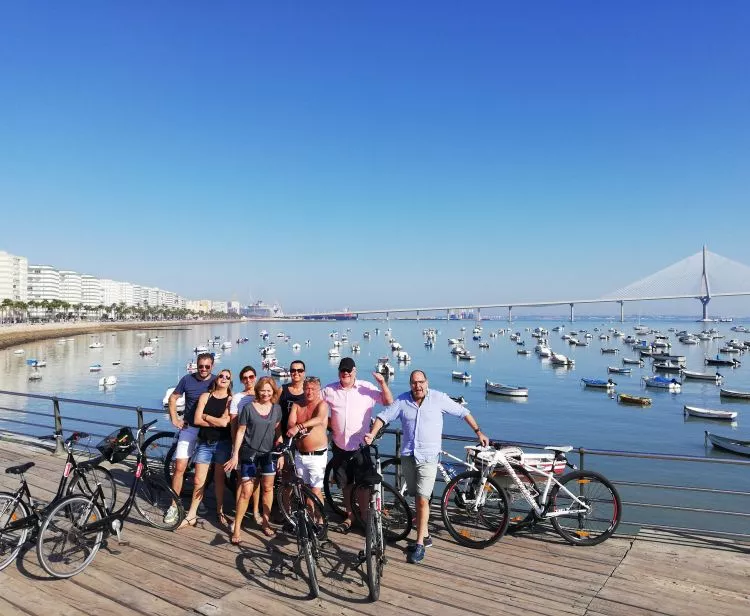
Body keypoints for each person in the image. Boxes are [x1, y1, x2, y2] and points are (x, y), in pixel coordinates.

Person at [364, 369, 489, 564]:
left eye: (421, 382)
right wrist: (372, 434)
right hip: (408, 456)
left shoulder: (438, 398)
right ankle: (427, 534)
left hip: (429, 457)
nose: (418, 386)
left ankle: (420, 543)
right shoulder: (403, 401)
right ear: (410, 384)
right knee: (417, 496)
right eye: (414, 383)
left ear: (427, 382)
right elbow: (383, 416)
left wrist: (479, 432)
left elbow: (464, 412)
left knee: (422, 500)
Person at [322, 357, 393, 532]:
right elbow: (316, 404)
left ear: (354, 371)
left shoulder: (366, 387)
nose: (345, 373)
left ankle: (364, 517)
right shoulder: (329, 390)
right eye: (342, 370)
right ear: (339, 371)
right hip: (339, 445)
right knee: (345, 485)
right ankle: (349, 516)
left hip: (361, 446)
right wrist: (327, 425)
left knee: (363, 485)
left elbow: (388, 401)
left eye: (348, 370)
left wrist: (383, 382)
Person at [224, 376, 283, 544]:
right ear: (257, 390)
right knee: (246, 492)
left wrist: (282, 453)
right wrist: (235, 454)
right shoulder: (248, 408)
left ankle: (265, 523)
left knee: (267, 489)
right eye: (262, 390)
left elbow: (278, 431)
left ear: (273, 391)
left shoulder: (276, 409)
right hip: (249, 454)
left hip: (269, 454)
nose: (265, 393)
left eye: (268, 390)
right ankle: (236, 528)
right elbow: (241, 432)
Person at [164, 352, 215, 525]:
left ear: (212, 367)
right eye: (201, 366)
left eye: (207, 366)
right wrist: (174, 419)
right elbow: (173, 398)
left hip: (208, 432)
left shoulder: (217, 381)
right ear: (196, 366)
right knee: (179, 468)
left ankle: (198, 502)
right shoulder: (187, 379)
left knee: (203, 473)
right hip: (189, 429)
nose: (203, 369)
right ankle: (173, 505)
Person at [179, 369, 233, 529]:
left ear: (230, 382)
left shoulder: (230, 400)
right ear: (216, 379)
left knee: (219, 480)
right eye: (221, 376)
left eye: (227, 377)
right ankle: (191, 515)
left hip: (223, 443)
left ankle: (220, 511)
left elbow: (225, 423)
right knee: (197, 480)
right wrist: (214, 420)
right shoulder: (205, 396)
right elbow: (196, 419)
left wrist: (206, 417)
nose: (223, 378)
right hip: (205, 442)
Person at [286, 376, 329, 520]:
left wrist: (299, 427)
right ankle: (309, 520)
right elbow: (290, 422)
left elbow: (319, 419)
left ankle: (321, 521)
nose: (309, 392)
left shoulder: (322, 404)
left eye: (313, 389)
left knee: (315, 491)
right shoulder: (297, 405)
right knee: (303, 490)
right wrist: (295, 427)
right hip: (300, 454)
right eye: (307, 389)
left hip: (317, 455)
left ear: (318, 390)